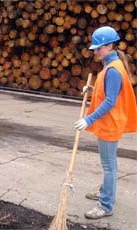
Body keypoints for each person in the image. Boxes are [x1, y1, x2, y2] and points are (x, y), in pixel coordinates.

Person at [74, 26, 137, 219]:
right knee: (108, 164)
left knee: (109, 166)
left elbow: (110, 101)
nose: (95, 51)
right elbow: (107, 92)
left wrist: (88, 119)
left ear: (110, 46)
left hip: (110, 124)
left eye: (98, 48)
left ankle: (106, 204)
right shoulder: (111, 65)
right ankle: (104, 192)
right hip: (108, 123)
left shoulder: (113, 70)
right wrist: (91, 88)